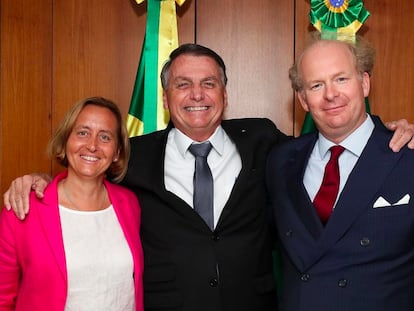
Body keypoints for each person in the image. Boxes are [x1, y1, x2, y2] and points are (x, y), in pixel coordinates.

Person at [3, 44, 414, 311]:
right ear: (166, 98)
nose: (197, 95)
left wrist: (386, 132)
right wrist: (39, 179)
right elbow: (88, 171)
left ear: (225, 93)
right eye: (183, 85)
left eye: (208, 84)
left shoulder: (266, 143)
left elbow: (337, 139)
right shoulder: (134, 156)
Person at [266, 32, 414, 311]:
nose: (331, 94)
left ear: (365, 82)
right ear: (303, 100)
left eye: (341, 79)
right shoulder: (281, 161)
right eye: (316, 85)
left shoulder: (407, 155)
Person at [0, 97, 144, 310]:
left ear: (117, 153)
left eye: (105, 137)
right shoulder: (22, 209)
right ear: (66, 139)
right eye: (83, 133)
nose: (92, 145)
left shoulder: (129, 204)